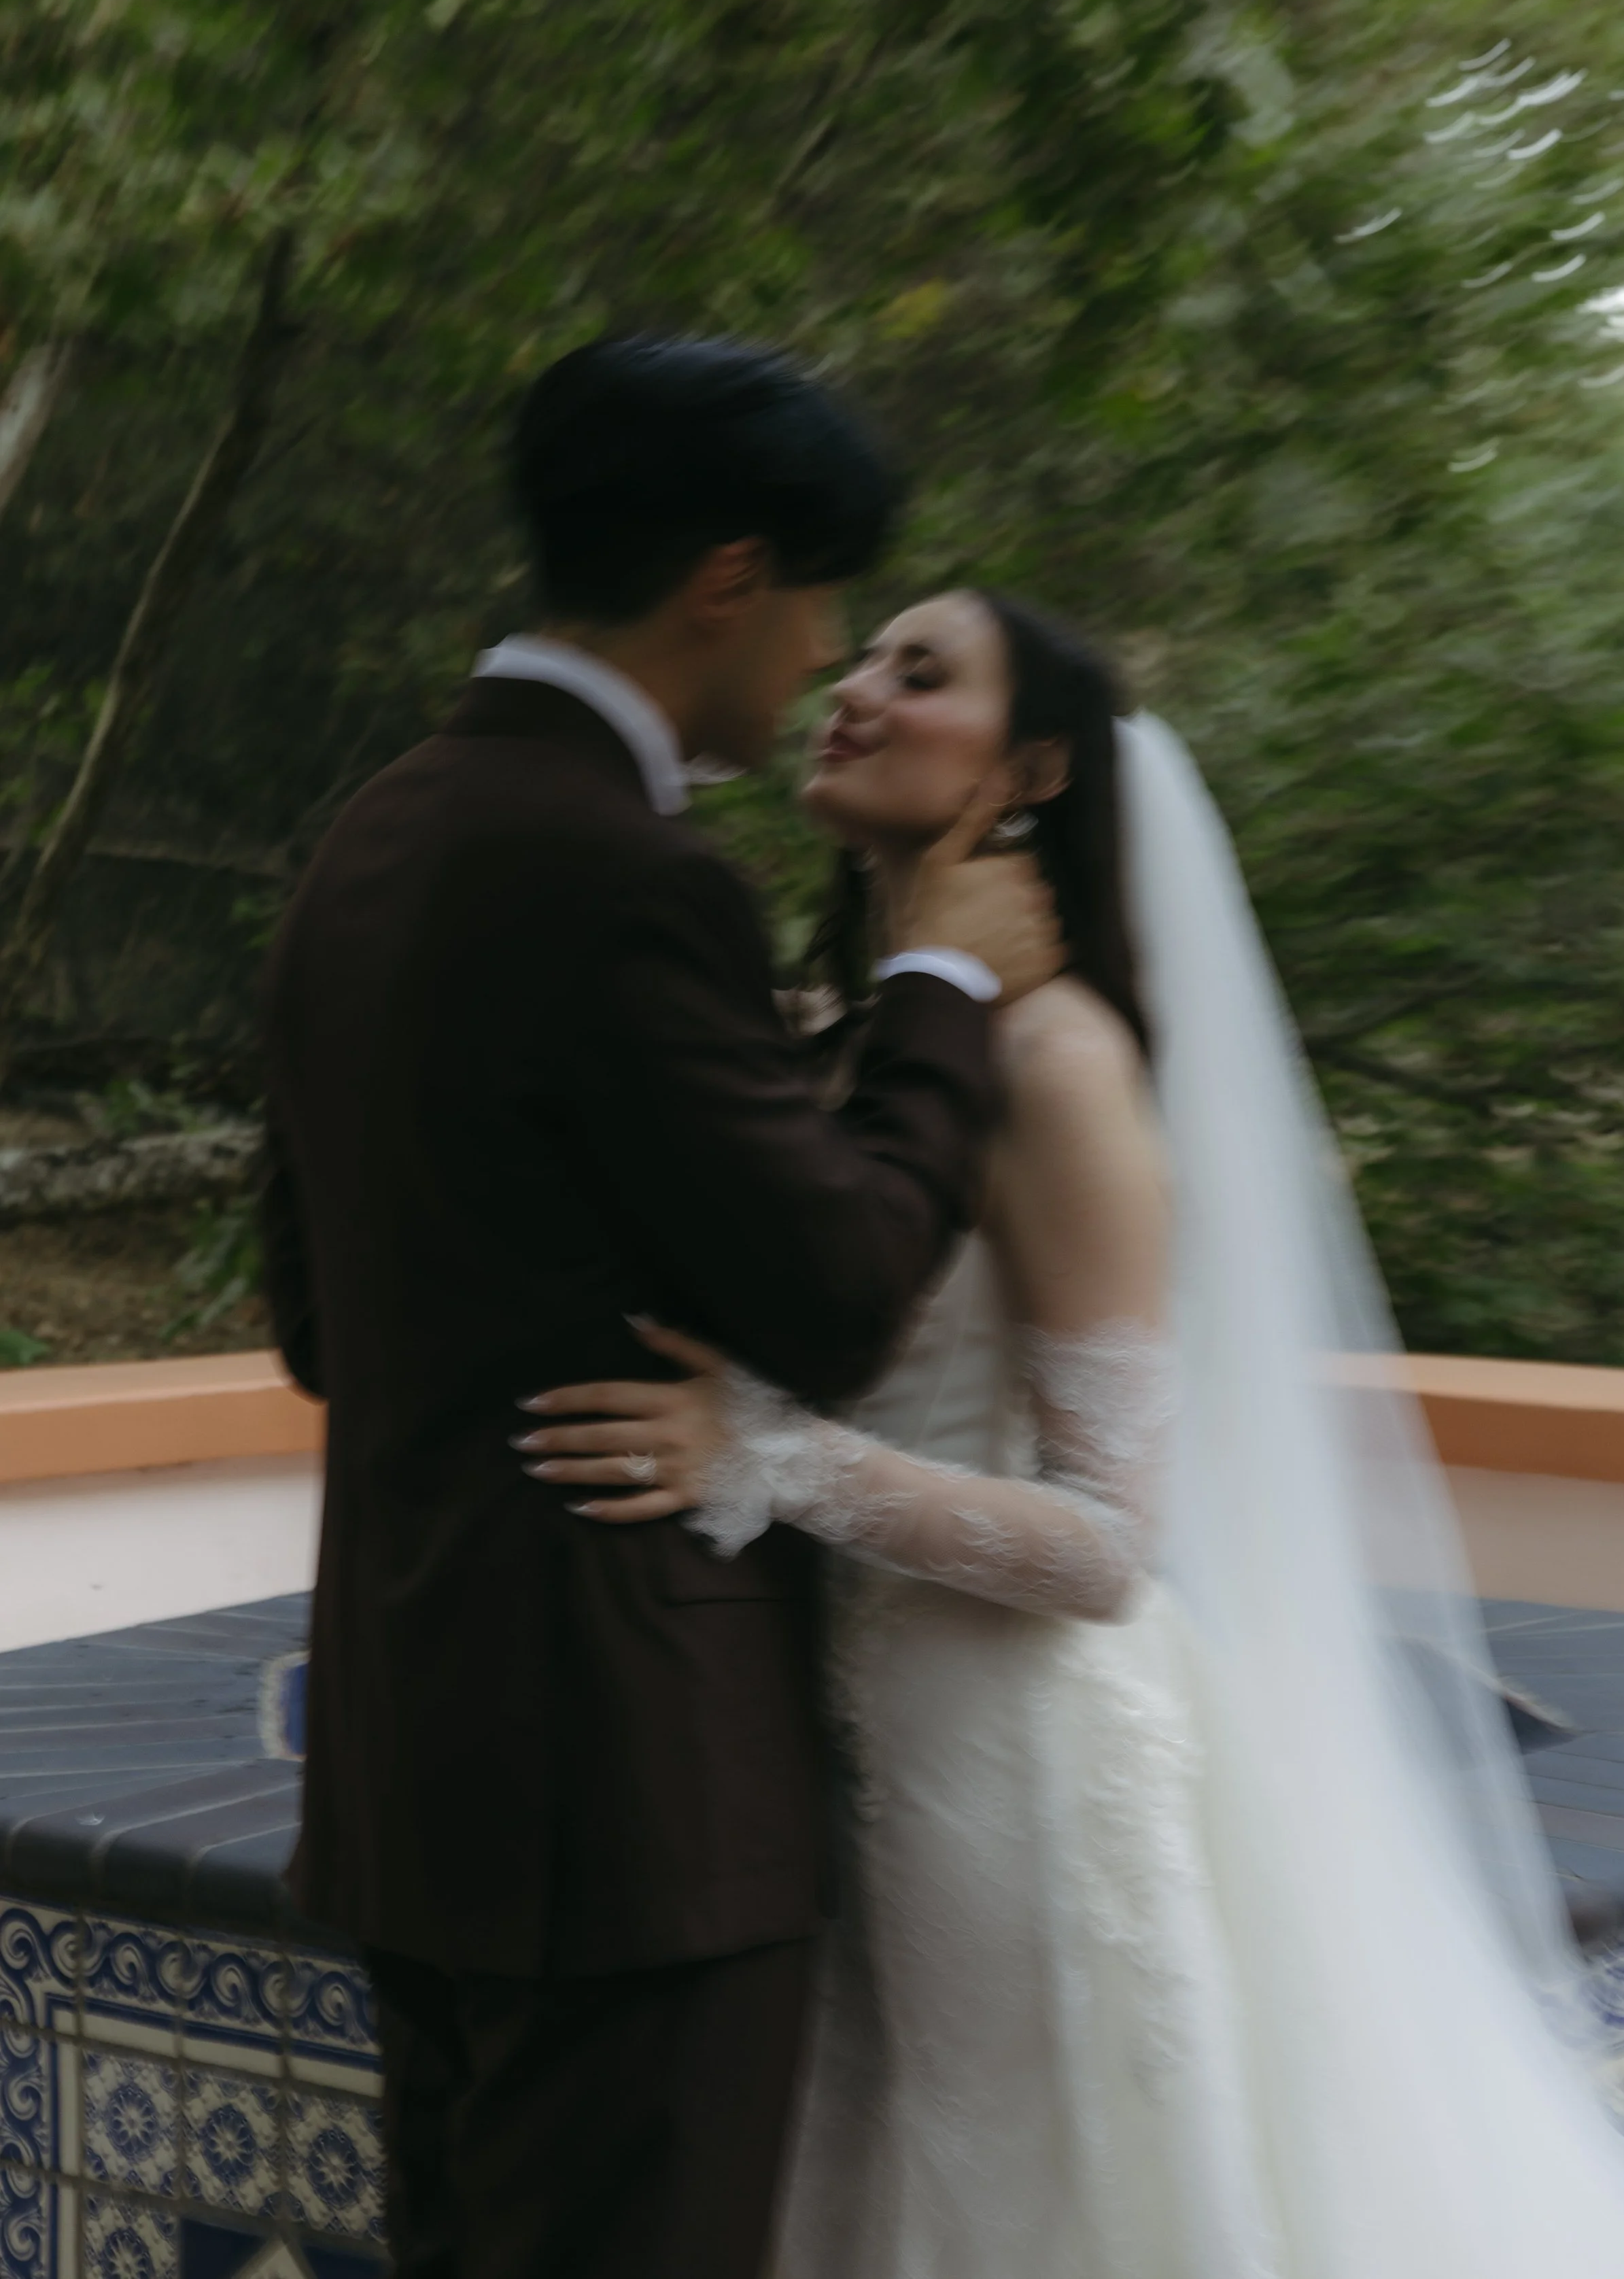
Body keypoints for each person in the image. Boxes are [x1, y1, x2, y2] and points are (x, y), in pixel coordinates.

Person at [520, 588, 1624, 2277]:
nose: (853, 690)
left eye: (919, 675)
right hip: (827, 1742)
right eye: (861, 657)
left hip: (1004, 1762)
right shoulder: (860, 1044)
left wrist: (761, 1457)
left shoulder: (1058, 1063)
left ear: (1035, 769)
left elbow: (1103, 1543)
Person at [257, 339, 1063, 2279]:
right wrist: (938, 996)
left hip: (410, 1759)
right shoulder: (626, 877)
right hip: (627, 1793)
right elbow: (844, 1286)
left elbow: (309, 1316)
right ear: (729, 574)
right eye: (821, 608)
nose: (820, 663)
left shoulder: (368, 833)